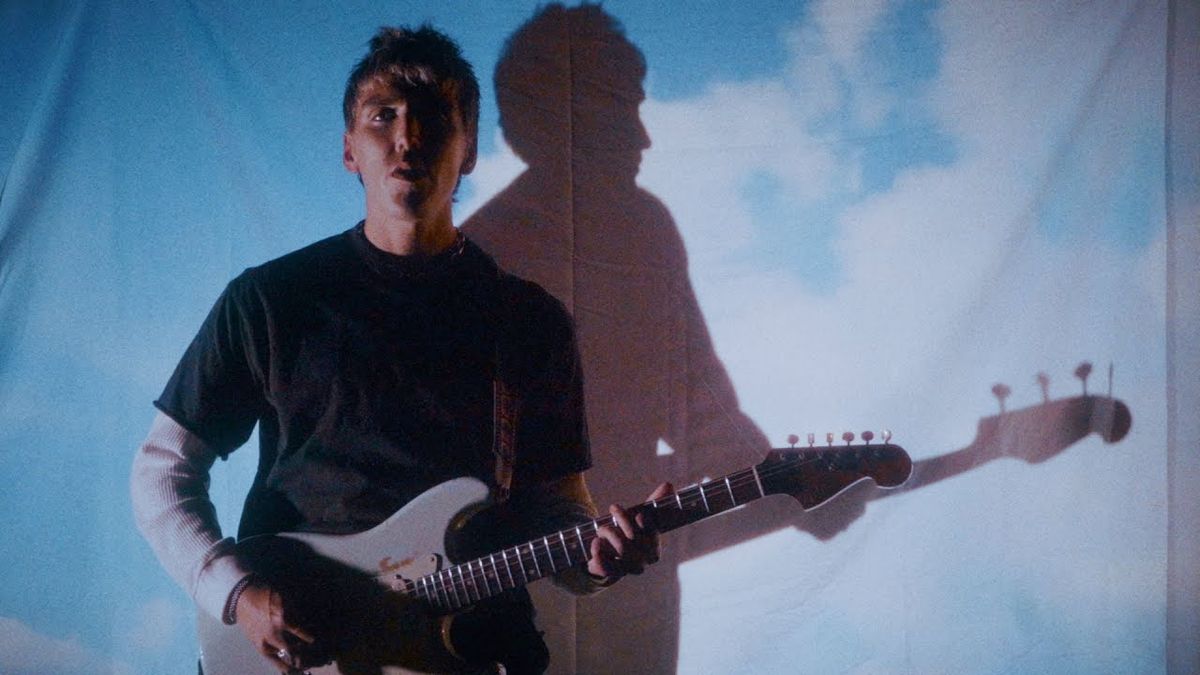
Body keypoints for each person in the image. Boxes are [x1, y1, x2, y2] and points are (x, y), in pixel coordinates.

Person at [131, 25, 668, 674]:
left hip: (477, 649)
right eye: (382, 116)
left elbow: (555, 507)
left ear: (468, 151)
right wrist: (237, 592)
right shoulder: (273, 298)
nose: (408, 137)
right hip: (306, 646)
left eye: (434, 116)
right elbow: (163, 470)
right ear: (349, 150)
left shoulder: (528, 320)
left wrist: (595, 559)